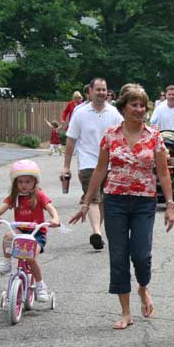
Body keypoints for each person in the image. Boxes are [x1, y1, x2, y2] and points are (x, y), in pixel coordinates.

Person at [70, 84, 174, 330]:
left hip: (144, 202)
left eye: (142, 105)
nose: (139, 110)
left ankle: (143, 287)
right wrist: (87, 202)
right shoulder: (111, 135)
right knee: (118, 256)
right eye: (134, 105)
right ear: (124, 108)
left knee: (141, 254)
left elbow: (163, 172)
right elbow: (99, 170)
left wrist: (169, 204)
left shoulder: (154, 136)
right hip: (115, 200)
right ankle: (125, 312)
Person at [63, 78, 123, 250]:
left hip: (111, 164)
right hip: (88, 163)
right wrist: (66, 166)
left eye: (104, 90)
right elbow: (71, 140)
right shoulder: (80, 113)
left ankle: (98, 232)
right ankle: (96, 232)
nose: (102, 93)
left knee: (103, 200)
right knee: (94, 198)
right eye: (98, 89)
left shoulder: (114, 114)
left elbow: (122, 137)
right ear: (89, 91)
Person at [0, 160, 59, 301]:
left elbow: (51, 208)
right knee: (8, 235)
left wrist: (55, 219)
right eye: (20, 182)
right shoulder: (14, 196)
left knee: (31, 258)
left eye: (27, 181)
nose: (23, 185)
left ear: (35, 181)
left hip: (37, 233)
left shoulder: (39, 195)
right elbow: (2, 207)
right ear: (15, 183)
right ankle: (7, 262)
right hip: (20, 231)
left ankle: (40, 286)